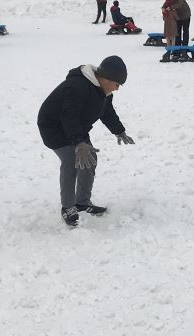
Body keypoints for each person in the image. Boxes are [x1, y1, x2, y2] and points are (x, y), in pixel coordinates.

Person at [36, 54, 134, 228]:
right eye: (117, 84)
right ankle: (68, 207)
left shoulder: (104, 91)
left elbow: (107, 112)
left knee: (90, 159)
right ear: (106, 78)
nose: (117, 89)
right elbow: (68, 115)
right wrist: (79, 143)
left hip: (75, 127)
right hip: (53, 126)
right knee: (72, 160)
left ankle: (82, 202)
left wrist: (119, 131)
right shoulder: (77, 86)